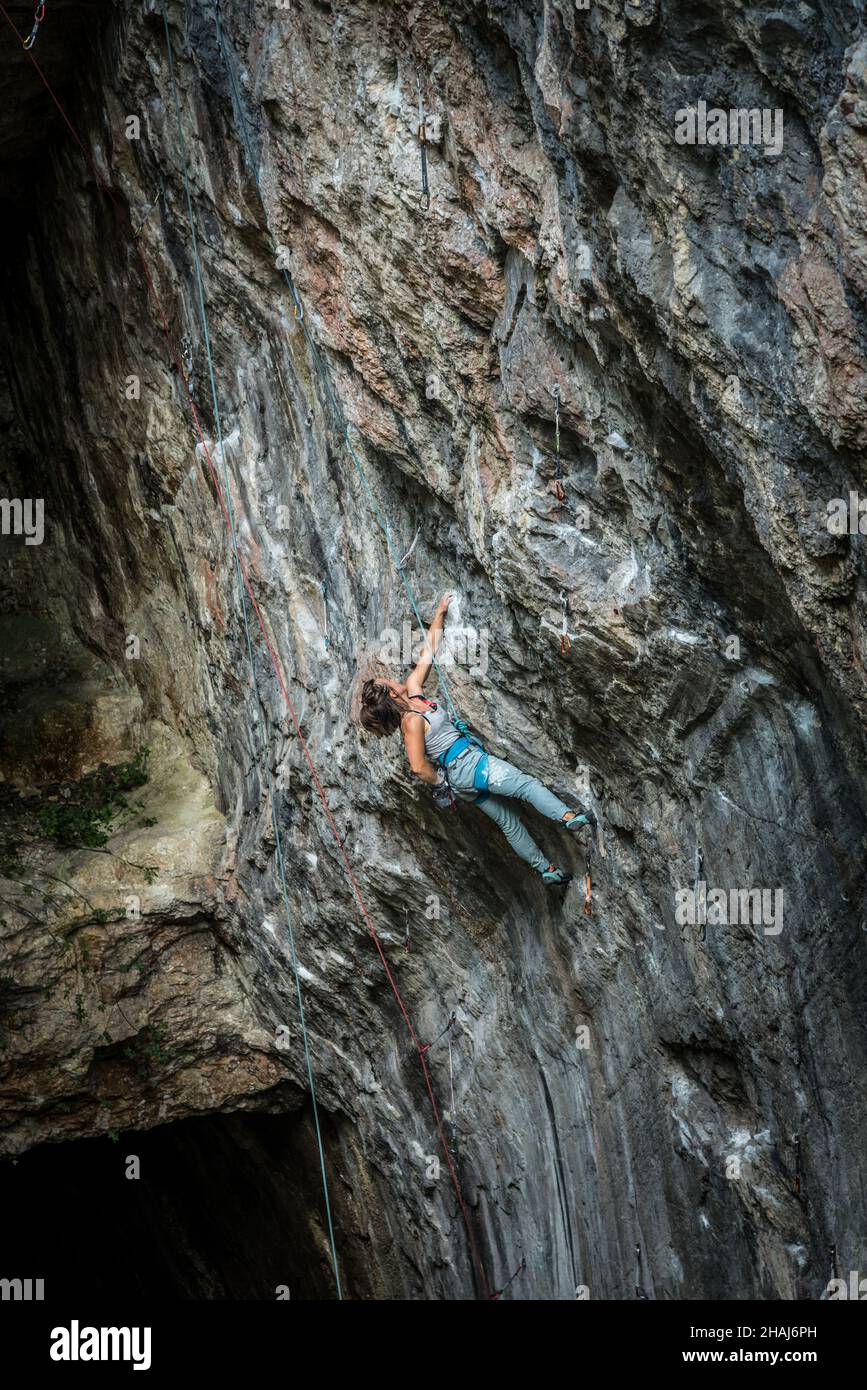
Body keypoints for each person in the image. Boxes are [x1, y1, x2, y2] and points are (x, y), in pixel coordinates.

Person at [359, 593, 594, 883]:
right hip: (467, 767)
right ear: (391, 695)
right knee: (525, 785)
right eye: (387, 682)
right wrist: (440, 781)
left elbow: (429, 650)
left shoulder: (414, 690)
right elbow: (418, 766)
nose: (391, 679)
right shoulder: (411, 723)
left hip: (464, 774)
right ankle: (567, 817)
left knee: (509, 821)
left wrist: (440, 613)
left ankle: (546, 871)